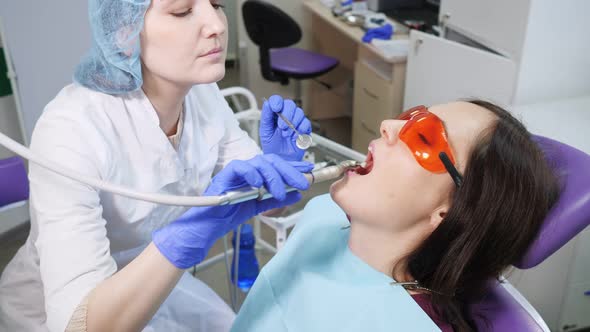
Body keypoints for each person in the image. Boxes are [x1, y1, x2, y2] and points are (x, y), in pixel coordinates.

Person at [0, 0, 314, 331]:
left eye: (217, 4)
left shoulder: (203, 93)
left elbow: (266, 206)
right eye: (182, 10)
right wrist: (187, 236)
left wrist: (280, 174)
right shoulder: (70, 130)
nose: (217, 25)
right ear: (125, 32)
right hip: (64, 312)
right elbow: (80, 324)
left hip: (157, 275)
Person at [231, 100, 560, 332]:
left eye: (424, 137)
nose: (388, 125)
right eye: (411, 115)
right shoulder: (323, 215)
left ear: (450, 210)